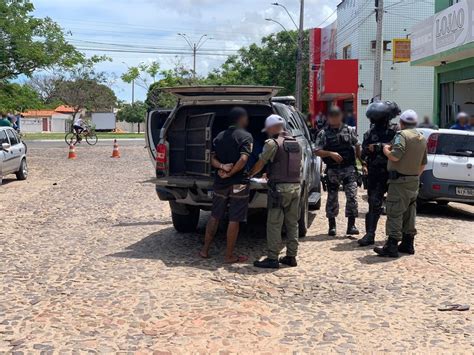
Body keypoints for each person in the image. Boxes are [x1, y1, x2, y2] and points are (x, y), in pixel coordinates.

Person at [200, 107, 253, 264]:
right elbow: (243, 159)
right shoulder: (246, 136)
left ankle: (204, 250)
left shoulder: (219, 136)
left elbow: (211, 159)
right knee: (234, 219)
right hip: (239, 184)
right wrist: (231, 173)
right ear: (241, 119)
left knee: (215, 215)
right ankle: (229, 256)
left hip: (220, 182)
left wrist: (222, 167)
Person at [251, 114, 302, 269]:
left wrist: (250, 175)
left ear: (273, 128)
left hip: (279, 189)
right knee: (292, 223)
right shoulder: (296, 143)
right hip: (296, 187)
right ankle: (291, 256)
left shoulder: (272, 143)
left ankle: (272, 258)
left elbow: (261, 162)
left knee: (274, 223)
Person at [374, 109, 427, 258]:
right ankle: (408, 243)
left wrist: (385, 150)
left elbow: (396, 156)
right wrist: (414, 175)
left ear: (402, 123)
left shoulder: (401, 135)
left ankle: (391, 245)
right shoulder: (421, 138)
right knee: (410, 213)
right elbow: (423, 163)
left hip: (399, 181)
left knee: (394, 211)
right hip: (413, 180)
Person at [358, 100, 400, 247]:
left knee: (396, 206)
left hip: (393, 172)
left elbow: (400, 148)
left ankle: (396, 237)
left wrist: (379, 147)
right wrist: (365, 158)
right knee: (373, 205)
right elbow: (363, 153)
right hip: (376, 174)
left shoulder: (396, 131)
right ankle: (370, 234)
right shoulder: (370, 133)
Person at [314, 106, 361, 236]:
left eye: (336, 116)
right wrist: (330, 153)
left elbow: (357, 145)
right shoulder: (323, 133)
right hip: (333, 170)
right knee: (332, 198)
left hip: (349, 168)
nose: (334, 118)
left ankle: (351, 225)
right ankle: (332, 226)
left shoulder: (350, 130)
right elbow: (317, 151)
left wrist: (362, 163)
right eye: (332, 116)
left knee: (352, 196)